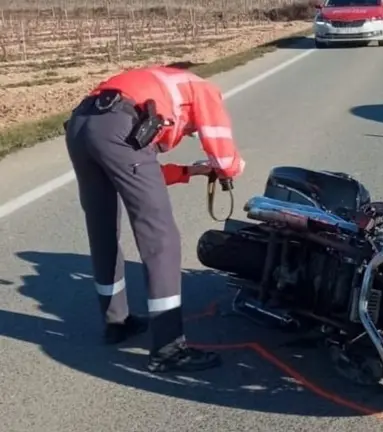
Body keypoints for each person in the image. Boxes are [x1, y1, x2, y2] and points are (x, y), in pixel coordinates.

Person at [64, 65, 246, 373]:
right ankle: (169, 349)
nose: (188, 132)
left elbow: (139, 172)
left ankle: (116, 322)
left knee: (103, 229)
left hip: (82, 125)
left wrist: (190, 171)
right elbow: (220, 145)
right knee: (161, 238)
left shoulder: (152, 86)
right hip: (117, 127)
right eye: (190, 130)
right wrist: (230, 167)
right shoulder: (203, 89)